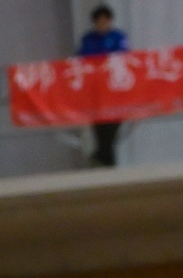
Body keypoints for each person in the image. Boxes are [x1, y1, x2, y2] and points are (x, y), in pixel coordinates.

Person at [78, 6, 129, 166]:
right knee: (99, 125)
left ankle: (102, 155)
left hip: (114, 90)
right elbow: (83, 58)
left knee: (113, 123)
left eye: (105, 20)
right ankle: (106, 158)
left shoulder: (118, 37)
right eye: (99, 21)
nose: (102, 23)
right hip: (96, 91)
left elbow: (123, 56)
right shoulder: (88, 39)